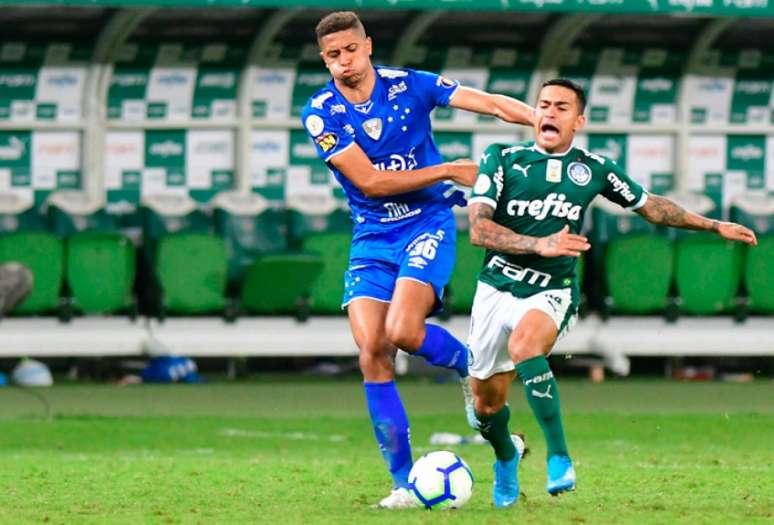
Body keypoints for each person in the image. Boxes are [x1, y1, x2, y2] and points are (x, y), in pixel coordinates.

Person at [467, 78, 758, 508]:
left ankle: (560, 457)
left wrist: (712, 225)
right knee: (485, 407)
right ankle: (507, 456)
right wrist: (539, 243)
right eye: (544, 104)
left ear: (578, 120)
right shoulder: (502, 160)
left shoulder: (594, 169)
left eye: (562, 107)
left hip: (552, 289)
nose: (549, 112)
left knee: (526, 345)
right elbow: (478, 229)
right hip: (496, 286)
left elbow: (651, 206)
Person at [301, 11, 535, 508]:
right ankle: (405, 483)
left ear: (368, 46)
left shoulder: (411, 86)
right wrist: (448, 168)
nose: (344, 61)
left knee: (404, 332)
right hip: (372, 236)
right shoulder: (322, 112)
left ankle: (472, 372)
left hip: (425, 225)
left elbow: (487, 103)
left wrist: (541, 120)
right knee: (372, 352)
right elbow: (370, 182)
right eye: (332, 56)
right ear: (324, 60)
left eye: (350, 50)